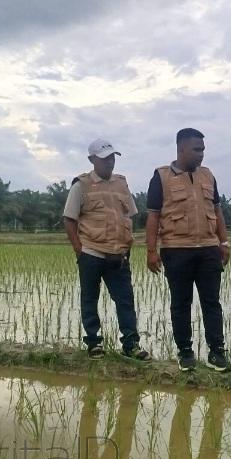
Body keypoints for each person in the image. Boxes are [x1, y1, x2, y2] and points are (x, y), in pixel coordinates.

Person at [145, 128, 231, 372]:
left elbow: (218, 211)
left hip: (208, 249)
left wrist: (223, 243)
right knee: (181, 303)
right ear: (181, 149)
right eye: (197, 149)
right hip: (176, 250)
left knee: (211, 303)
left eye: (203, 149)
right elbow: (153, 217)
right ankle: (185, 353)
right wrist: (151, 251)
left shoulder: (208, 175)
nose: (201, 155)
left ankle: (217, 353)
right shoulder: (161, 177)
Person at [63, 138, 151, 361]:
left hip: (118, 254)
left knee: (125, 300)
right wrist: (79, 250)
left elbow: (131, 214)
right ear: (92, 159)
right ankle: (94, 343)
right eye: (104, 159)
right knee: (90, 299)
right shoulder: (80, 185)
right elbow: (69, 219)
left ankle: (131, 344)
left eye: (112, 157)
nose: (110, 162)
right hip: (91, 252)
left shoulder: (122, 184)